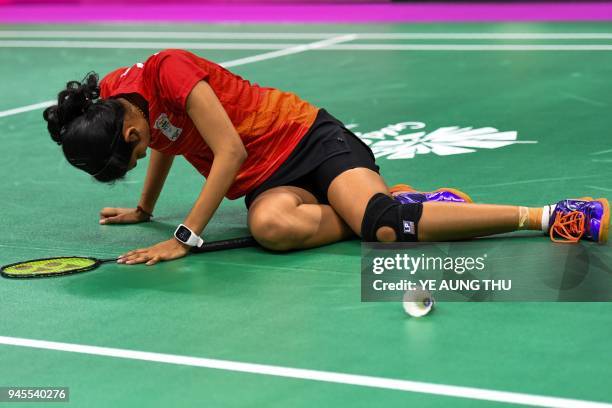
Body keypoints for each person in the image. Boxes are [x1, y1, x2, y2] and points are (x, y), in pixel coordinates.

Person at [43, 49, 609, 266]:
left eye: (133, 150)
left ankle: (552, 215)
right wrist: (145, 210)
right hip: (267, 181)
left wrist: (184, 235)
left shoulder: (169, 71)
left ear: (127, 121)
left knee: (384, 230)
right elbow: (167, 143)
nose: (142, 157)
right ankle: (403, 204)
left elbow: (229, 149)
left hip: (308, 139)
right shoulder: (126, 102)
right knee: (269, 226)